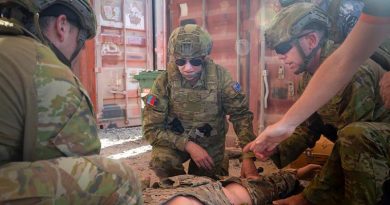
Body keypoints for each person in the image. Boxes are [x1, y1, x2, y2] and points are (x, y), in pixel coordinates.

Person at [245, 3, 390, 204]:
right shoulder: (311, 77)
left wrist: (307, 197)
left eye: (283, 48)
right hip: (365, 150)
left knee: (355, 136)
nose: (280, 56)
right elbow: (307, 128)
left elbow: (351, 146)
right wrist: (270, 149)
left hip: (377, 153)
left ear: (311, 40)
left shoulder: (357, 74)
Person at [0, 0, 142, 204]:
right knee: (119, 180)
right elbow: (80, 160)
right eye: (82, 41)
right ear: (62, 25)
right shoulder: (48, 71)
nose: (81, 51)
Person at [142, 24, 258, 180]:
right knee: (162, 163)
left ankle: (219, 159)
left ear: (205, 57)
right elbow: (151, 129)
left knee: (207, 184)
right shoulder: (164, 82)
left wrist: (248, 158)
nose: (187, 68)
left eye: (195, 61)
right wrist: (189, 145)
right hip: (175, 141)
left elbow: (241, 116)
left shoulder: (221, 78)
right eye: (180, 61)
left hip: (210, 142)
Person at [143, 164, 321, 205]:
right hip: (206, 193)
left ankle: (294, 174)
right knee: (250, 191)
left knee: (256, 188)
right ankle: (295, 174)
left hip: (178, 188)